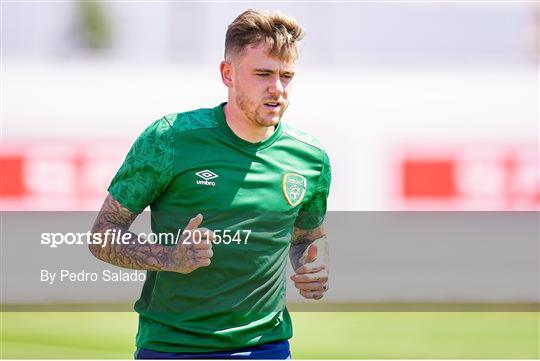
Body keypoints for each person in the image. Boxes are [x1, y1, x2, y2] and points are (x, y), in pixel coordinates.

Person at [89, 9, 331, 360]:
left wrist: (314, 266)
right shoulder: (169, 139)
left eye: (286, 76)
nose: (276, 88)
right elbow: (103, 234)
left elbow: (309, 237)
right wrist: (171, 257)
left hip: (266, 347)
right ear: (227, 73)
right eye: (262, 73)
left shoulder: (310, 157)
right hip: (172, 347)